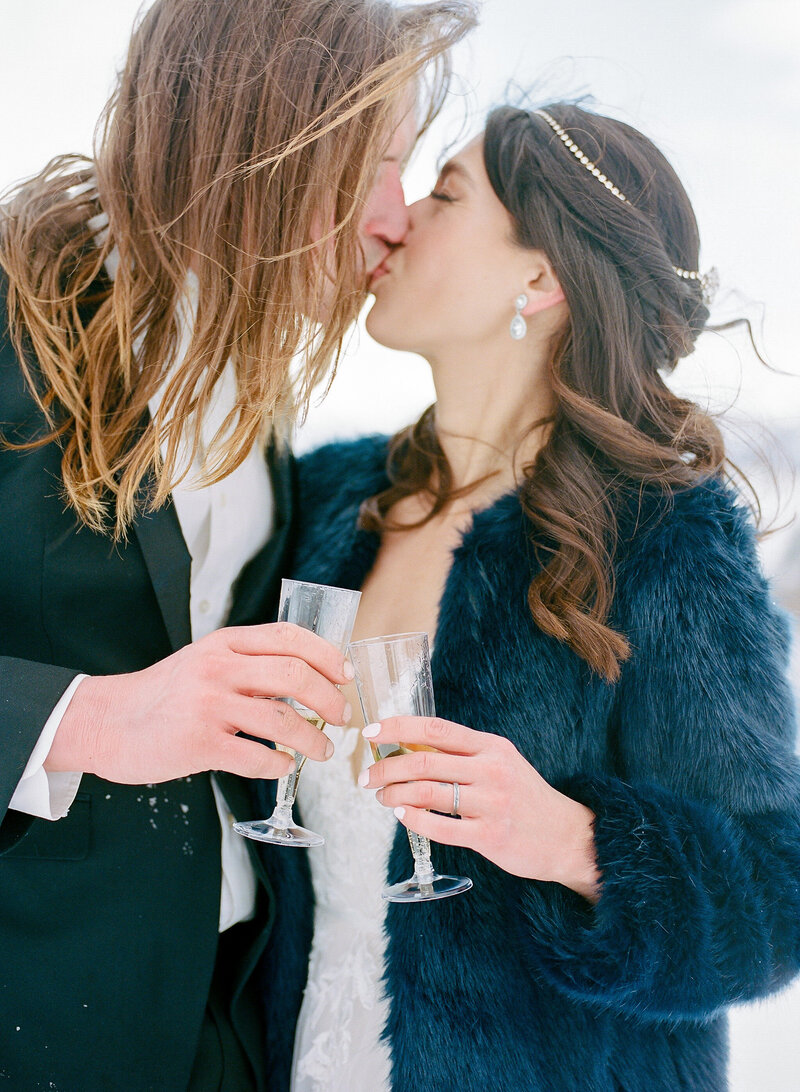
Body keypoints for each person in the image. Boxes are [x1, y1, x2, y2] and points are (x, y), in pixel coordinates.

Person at [259, 102, 800, 1091]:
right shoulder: (324, 500)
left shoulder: (664, 541)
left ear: (538, 277)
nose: (396, 217)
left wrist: (568, 839)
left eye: (446, 192)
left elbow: (775, 895)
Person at [0, 1, 477, 1089]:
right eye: (373, 164)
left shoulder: (259, 401)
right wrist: (86, 720)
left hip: (225, 1011)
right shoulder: (8, 326)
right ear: (257, 140)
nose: (395, 217)